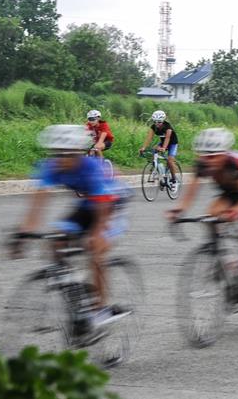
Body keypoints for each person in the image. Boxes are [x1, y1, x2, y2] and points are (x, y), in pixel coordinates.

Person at [10, 125, 129, 328]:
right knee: (56, 239)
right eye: (56, 154)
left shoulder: (91, 168)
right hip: (87, 204)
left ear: (78, 154)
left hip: (112, 203)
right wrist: (24, 232)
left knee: (95, 249)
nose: (61, 159)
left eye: (67, 154)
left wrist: (98, 234)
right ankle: (74, 294)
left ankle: (100, 310)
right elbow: (37, 205)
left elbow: (103, 208)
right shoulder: (50, 166)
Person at [167, 128, 238, 300]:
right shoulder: (202, 164)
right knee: (210, 216)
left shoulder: (236, 163)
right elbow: (192, 190)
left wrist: (237, 211)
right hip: (229, 193)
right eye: (203, 155)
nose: (208, 160)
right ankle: (221, 253)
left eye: (213, 156)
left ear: (225, 153)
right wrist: (180, 208)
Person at [138, 110, 179, 188]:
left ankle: (174, 180)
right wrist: (143, 147)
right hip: (163, 143)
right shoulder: (153, 127)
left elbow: (167, 138)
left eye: (159, 122)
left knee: (170, 160)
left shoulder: (168, 127)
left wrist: (163, 148)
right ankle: (160, 172)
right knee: (154, 152)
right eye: (155, 122)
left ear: (163, 121)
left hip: (172, 143)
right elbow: (149, 138)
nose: (157, 124)